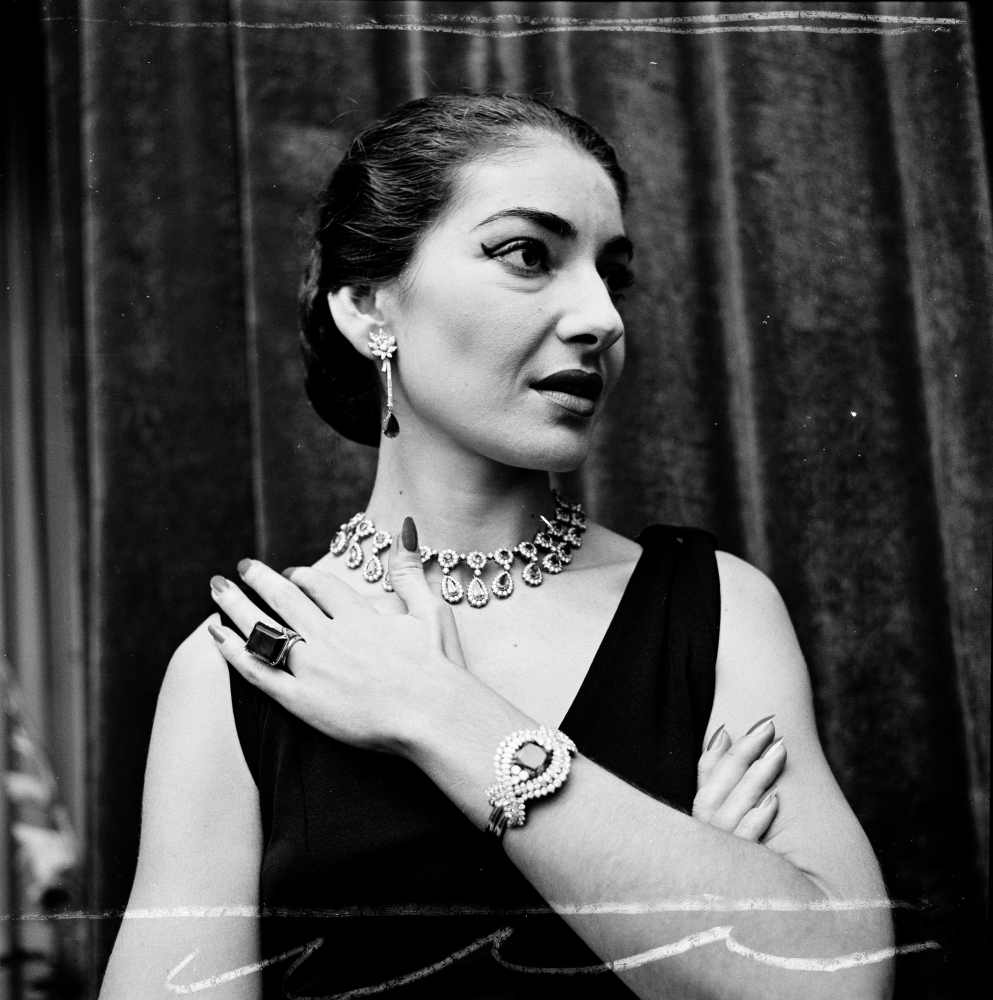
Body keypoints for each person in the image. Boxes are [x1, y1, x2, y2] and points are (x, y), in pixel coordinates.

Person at [98, 93, 893, 999]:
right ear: (366, 306)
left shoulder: (717, 607)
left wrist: (436, 709)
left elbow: (832, 983)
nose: (602, 318)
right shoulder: (247, 659)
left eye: (612, 275)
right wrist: (683, 907)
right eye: (528, 255)